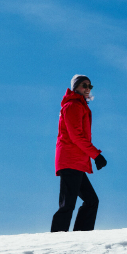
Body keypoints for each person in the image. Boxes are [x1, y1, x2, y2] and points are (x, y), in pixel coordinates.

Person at [51, 74, 106, 232]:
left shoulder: (80, 106)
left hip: (76, 162)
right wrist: (96, 155)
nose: (88, 89)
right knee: (67, 205)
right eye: (84, 85)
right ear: (75, 88)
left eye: (90, 86)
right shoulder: (73, 106)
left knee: (91, 201)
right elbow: (76, 136)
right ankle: (55, 240)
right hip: (70, 160)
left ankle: (80, 237)